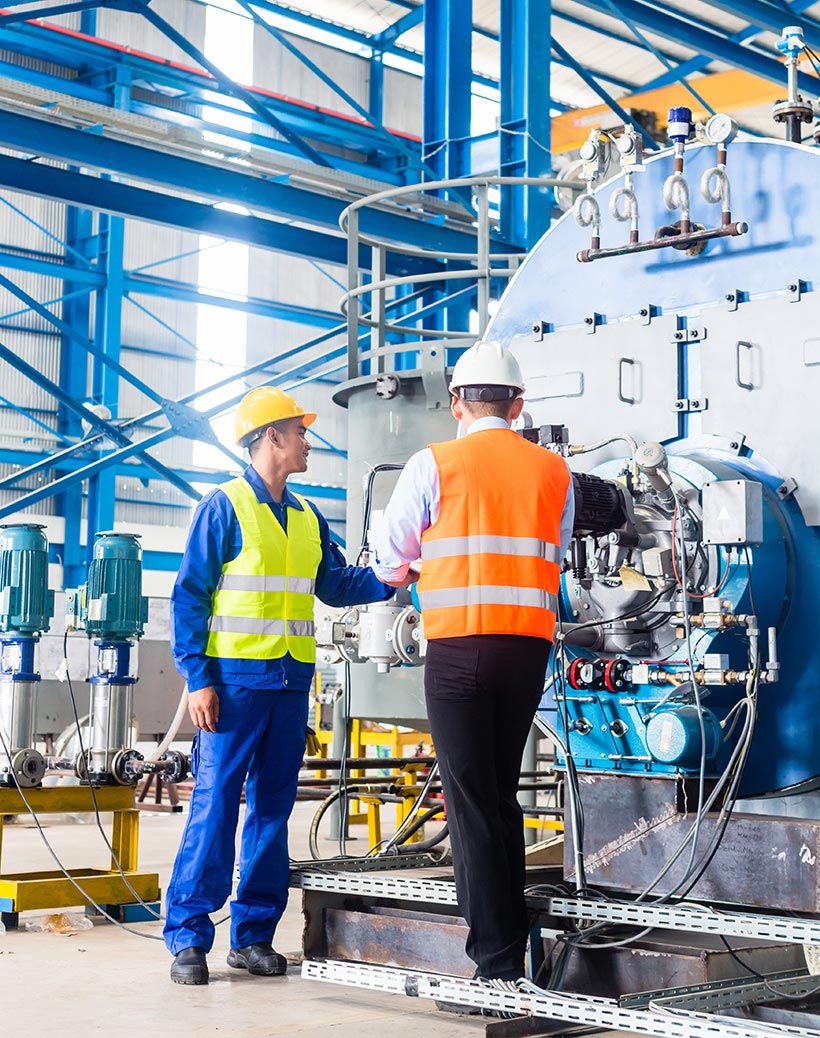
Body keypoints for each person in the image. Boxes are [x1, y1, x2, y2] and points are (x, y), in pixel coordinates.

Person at [165, 385, 393, 985]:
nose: (308, 442)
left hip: (291, 684)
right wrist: (198, 678)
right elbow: (189, 596)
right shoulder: (225, 506)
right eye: (299, 432)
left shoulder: (306, 515)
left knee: (271, 812)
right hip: (233, 686)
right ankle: (188, 938)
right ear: (272, 438)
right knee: (215, 809)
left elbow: (338, 584)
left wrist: (398, 576)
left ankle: (253, 935)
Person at [371, 340, 574, 991]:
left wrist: (414, 567)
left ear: (457, 402)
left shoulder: (433, 464)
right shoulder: (554, 473)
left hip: (458, 650)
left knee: (470, 798)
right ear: (518, 404)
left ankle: (494, 959)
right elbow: (557, 553)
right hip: (526, 651)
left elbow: (388, 558)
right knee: (499, 793)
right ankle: (505, 938)